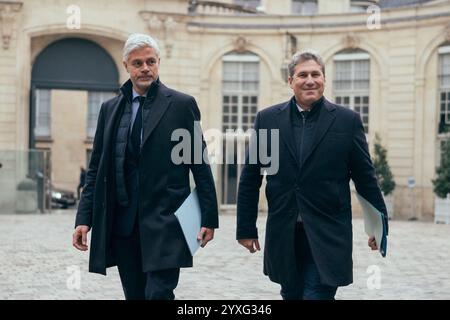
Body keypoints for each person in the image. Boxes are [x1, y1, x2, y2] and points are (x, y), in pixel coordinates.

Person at [72, 33, 219, 300]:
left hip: (167, 221)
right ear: (126, 66)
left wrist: (209, 216)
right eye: (138, 63)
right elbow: (96, 169)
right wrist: (84, 218)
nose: (145, 68)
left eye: (151, 61)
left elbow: (199, 162)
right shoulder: (109, 109)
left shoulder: (181, 105)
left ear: (158, 63)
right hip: (124, 223)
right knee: (136, 295)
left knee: (159, 293)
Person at [236, 49, 388, 300]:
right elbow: (251, 178)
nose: (310, 80)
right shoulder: (267, 119)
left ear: (324, 79)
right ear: (290, 81)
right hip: (284, 232)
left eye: (316, 74)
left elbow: (365, 177)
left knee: (317, 294)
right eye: (302, 75)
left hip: (328, 233)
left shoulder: (347, 121)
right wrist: (245, 228)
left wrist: (378, 225)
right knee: (292, 294)